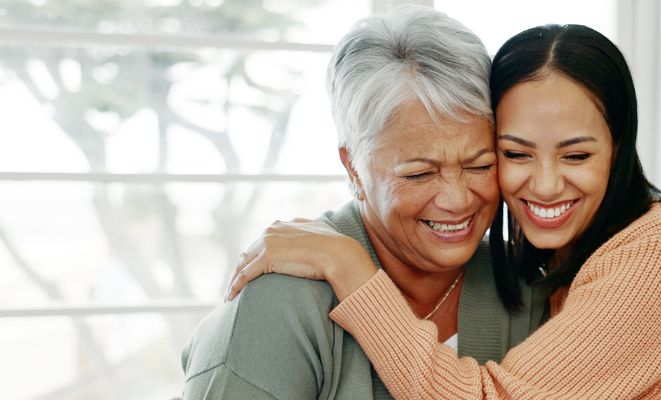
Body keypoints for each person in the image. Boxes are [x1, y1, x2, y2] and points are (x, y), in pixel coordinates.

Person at [229, 24, 661, 399]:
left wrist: (352, 269)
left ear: (620, 149)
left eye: (577, 154)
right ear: (353, 168)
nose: (548, 184)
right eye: (514, 154)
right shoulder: (554, 263)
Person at [181, 7, 548, 399]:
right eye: (419, 174)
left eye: (480, 165)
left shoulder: (530, 285)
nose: (457, 200)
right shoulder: (278, 302)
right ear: (353, 167)